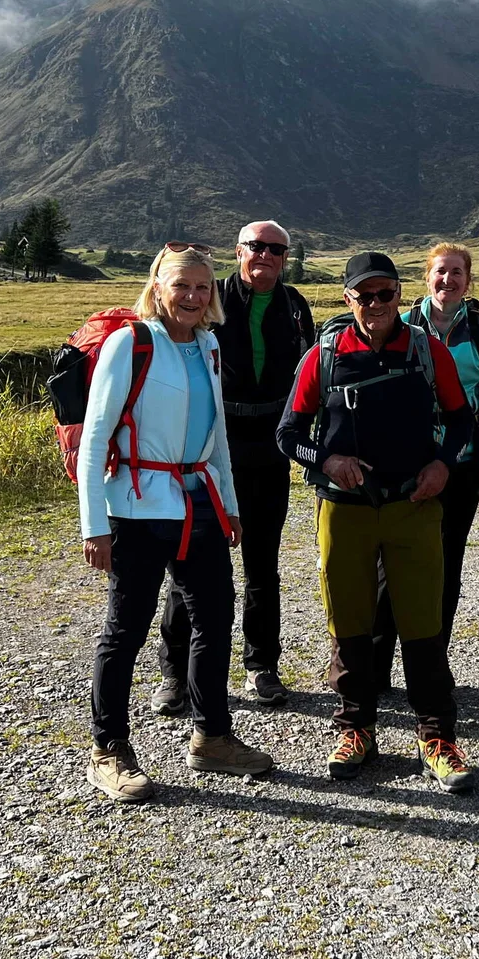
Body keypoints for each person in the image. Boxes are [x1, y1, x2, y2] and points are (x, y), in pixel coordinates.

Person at [276, 253, 479, 793]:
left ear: (398, 294)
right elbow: (288, 432)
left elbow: (462, 421)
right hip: (345, 511)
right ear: (348, 300)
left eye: (385, 294)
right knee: (350, 624)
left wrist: (443, 464)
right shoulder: (324, 354)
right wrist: (327, 461)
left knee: (423, 623)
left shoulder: (425, 348)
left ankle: (437, 736)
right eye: (363, 296)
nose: (375, 305)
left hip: (413, 505)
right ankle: (355, 729)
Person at [80, 244, 274, 804]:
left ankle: (212, 737)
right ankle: (108, 750)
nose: (192, 296)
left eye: (202, 287)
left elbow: (217, 440)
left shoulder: (209, 345)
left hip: (200, 504)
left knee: (215, 618)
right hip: (138, 509)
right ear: (158, 288)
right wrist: (94, 524)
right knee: (127, 629)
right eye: (181, 285)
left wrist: (230, 504)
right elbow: (95, 439)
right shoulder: (131, 343)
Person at [157, 220, 313, 713]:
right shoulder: (210, 299)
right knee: (192, 562)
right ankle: (175, 673)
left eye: (276, 249)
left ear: (285, 257)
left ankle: (261, 666)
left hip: (271, 451)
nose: (265, 255)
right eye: (256, 247)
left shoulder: (295, 306)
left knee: (262, 564)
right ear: (239, 251)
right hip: (208, 453)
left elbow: (308, 378)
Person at [374, 244, 479, 681]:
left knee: (446, 564)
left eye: (456, 273)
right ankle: (377, 664)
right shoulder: (403, 324)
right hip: (403, 463)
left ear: (468, 281)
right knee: (388, 563)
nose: (447, 280)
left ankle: (432, 663)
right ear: (426, 277)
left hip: (461, 463)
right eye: (440, 272)